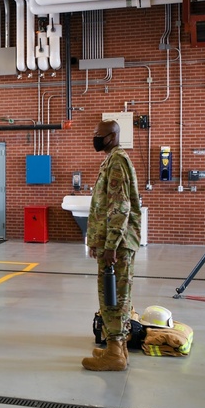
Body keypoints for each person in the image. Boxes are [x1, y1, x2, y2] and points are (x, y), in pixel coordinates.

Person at [82, 120, 142, 372]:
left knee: (113, 297)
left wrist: (111, 245)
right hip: (114, 242)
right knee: (116, 294)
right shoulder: (112, 160)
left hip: (117, 245)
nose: (95, 138)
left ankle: (115, 352)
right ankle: (118, 348)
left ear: (111, 137)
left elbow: (120, 206)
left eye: (98, 135)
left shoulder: (117, 161)